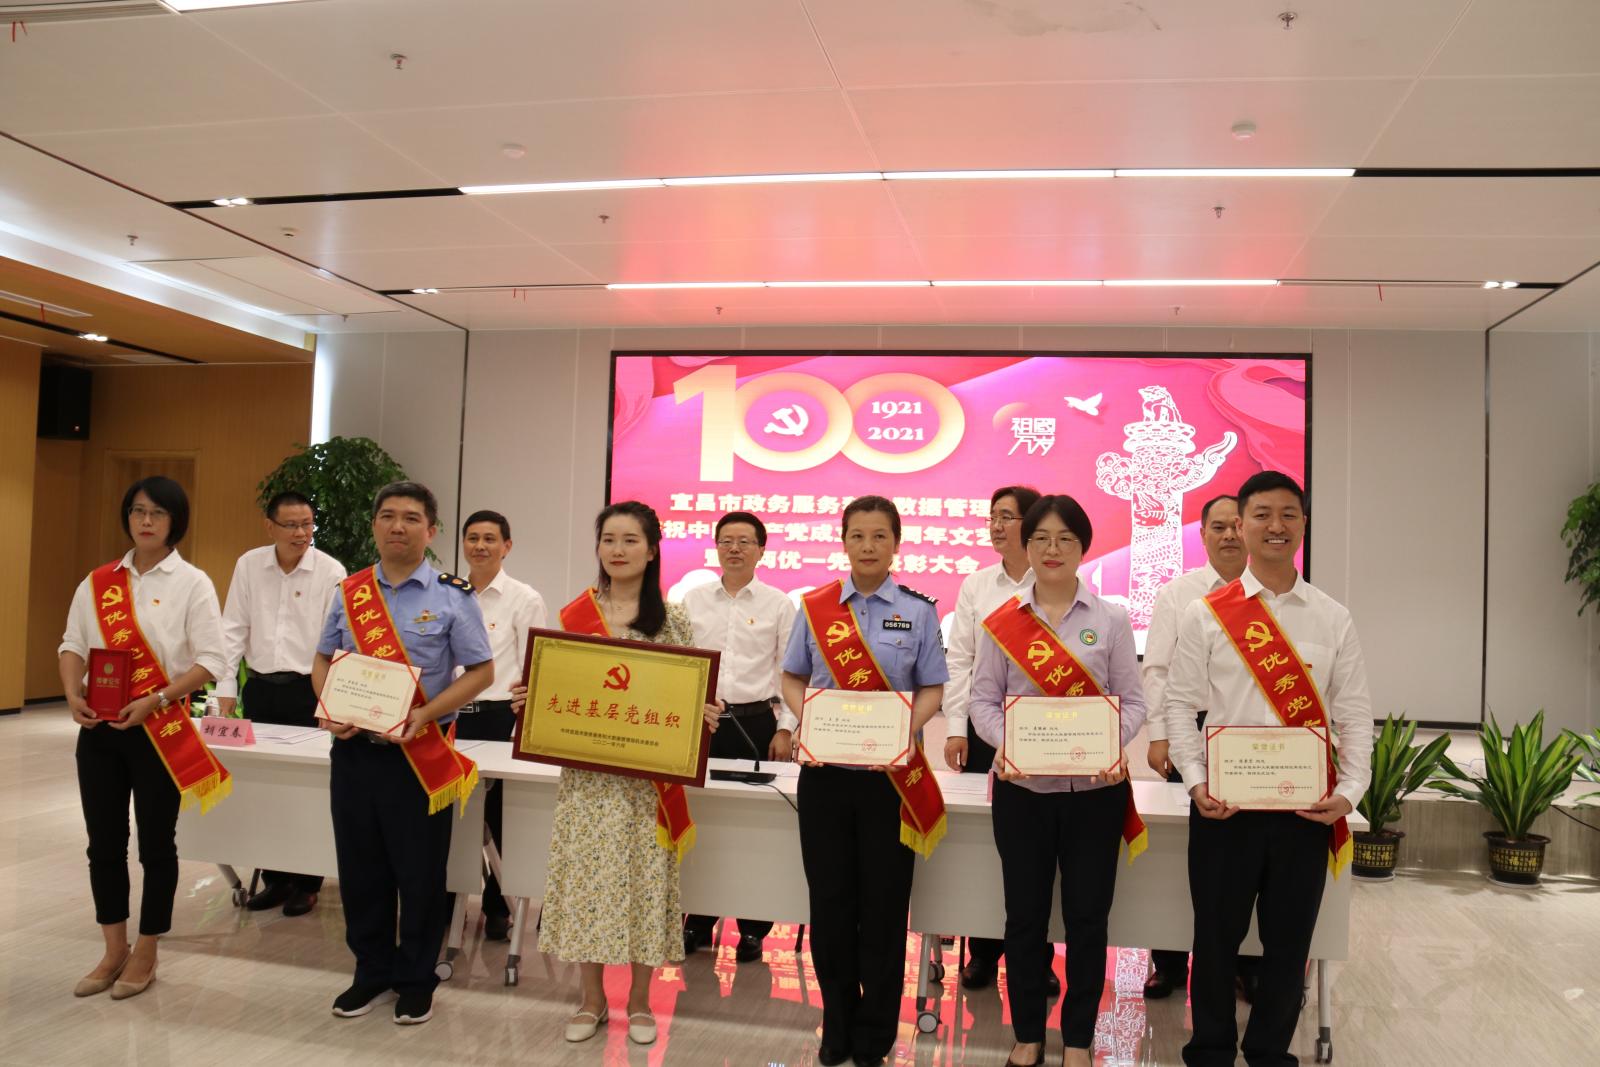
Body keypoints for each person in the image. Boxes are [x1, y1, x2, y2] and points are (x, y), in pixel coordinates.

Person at [1164, 471, 1373, 1067]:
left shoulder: (1332, 618)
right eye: (1261, 514)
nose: (1275, 526)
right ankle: (1210, 1051)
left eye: (1288, 514)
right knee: (1215, 939)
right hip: (1224, 809)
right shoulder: (1206, 614)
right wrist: (1196, 781)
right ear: (1240, 525)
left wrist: (1350, 791)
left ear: (1303, 524)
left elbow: (1354, 713)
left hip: (1303, 811)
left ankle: (1270, 1053)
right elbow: (1179, 704)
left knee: (1288, 944)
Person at [516, 500, 721, 1047]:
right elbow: (560, 691)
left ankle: (639, 1003)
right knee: (588, 886)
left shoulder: (674, 620)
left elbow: (689, 692)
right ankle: (590, 1001)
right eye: (609, 539)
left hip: (648, 783)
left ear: (652, 551)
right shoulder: (574, 617)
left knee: (644, 885)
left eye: (631, 540)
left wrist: (705, 712)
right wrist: (530, 701)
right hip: (588, 780)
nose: (618, 550)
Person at [969, 495, 1146, 1067]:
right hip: (1023, 794)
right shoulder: (1003, 622)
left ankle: (1077, 1041)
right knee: (1024, 918)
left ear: (1082, 547)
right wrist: (1011, 746)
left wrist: (1108, 745)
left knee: (1088, 920)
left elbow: (1133, 702)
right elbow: (982, 702)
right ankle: (1027, 1035)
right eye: (1041, 538)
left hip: (1094, 795)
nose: (1052, 549)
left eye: (1065, 538)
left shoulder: (1111, 619)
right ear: (1026, 546)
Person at [775, 495, 949, 1067]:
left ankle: (876, 1029)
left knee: (883, 907)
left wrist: (904, 730)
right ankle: (838, 1022)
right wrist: (811, 719)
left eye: (879, 536)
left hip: (889, 780)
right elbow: (792, 676)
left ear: (896, 543)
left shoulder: (919, 612)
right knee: (830, 904)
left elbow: (932, 688)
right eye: (858, 536)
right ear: (844, 540)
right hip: (825, 777)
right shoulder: (816, 607)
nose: (868, 546)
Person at [313, 481, 494, 1026]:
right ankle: (370, 972)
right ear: (374, 525)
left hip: (420, 754)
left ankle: (416, 979)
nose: (398, 526)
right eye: (388, 516)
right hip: (354, 753)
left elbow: (481, 671)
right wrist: (329, 706)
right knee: (360, 870)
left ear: (431, 530)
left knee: (419, 874)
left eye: (411, 518)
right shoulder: (349, 591)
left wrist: (426, 713)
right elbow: (322, 659)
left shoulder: (452, 595)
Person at [58, 475, 227, 1001]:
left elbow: (212, 661)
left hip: (159, 729)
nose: (146, 521)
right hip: (100, 730)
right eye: (137, 511)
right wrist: (72, 693)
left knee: (156, 844)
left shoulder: (193, 583)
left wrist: (156, 698)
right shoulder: (98, 582)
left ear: (176, 521)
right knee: (103, 843)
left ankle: (148, 950)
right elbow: (72, 644)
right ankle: (114, 949)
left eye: (157, 512)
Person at [216, 490, 347, 918]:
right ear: (269, 526)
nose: (301, 533)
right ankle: (275, 878)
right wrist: (225, 688)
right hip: (260, 689)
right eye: (291, 525)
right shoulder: (249, 565)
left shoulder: (330, 570)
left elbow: (337, 644)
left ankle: (307, 883)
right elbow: (233, 628)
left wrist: (330, 702)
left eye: (307, 524)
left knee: (308, 789)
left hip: (308, 691)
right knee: (265, 786)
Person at [940, 484, 1048, 993]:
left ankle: (1038, 958)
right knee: (990, 845)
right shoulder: (977, 585)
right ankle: (982, 953)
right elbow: (959, 659)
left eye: (1007, 516)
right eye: (992, 516)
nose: (996, 525)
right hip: (987, 730)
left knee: (1039, 848)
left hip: (1046, 732)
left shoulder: (1056, 581)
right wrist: (955, 728)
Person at [1140, 493, 1244, 999]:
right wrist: (1159, 734)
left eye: (1236, 525)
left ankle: (1244, 963)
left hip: (1248, 737)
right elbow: (1157, 668)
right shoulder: (1179, 594)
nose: (1229, 535)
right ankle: (1169, 961)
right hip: (1190, 729)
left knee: (1245, 854)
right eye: (1217, 527)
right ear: (1201, 535)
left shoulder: (1272, 595)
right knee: (1185, 852)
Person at [681, 511, 797, 963]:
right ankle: (698, 920)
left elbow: (791, 672)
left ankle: (753, 929)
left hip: (756, 725)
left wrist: (785, 727)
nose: (734, 548)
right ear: (715, 547)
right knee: (704, 825)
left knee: (754, 830)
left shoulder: (778, 604)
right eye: (726, 540)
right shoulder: (692, 601)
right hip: (702, 724)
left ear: (761, 550)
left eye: (744, 541)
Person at [452, 509, 546, 941]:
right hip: (452, 717)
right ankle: (449, 900)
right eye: (472, 538)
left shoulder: (523, 598)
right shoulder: (447, 593)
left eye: (490, 539)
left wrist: (520, 724)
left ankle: (496, 906)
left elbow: (535, 667)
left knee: (497, 819)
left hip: (498, 718)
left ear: (506, 546)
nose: (480, 546)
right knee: (453, 815)